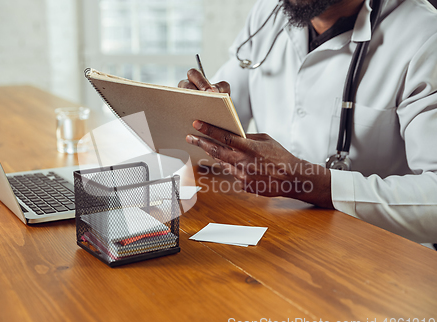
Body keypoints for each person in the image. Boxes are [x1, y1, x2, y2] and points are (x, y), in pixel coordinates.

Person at [178, 0, 437, 244]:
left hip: (383, 256)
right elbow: (218, 120)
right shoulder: (271, 11)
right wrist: (199, 109)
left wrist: (311, 184)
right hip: (281, 237)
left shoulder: (424, 35)